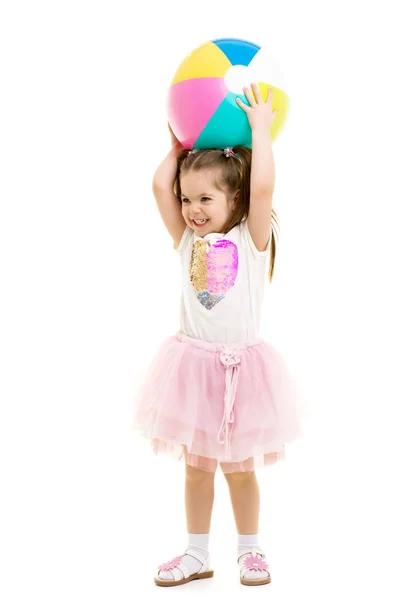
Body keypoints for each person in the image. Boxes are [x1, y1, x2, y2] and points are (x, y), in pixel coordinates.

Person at [132, 83, 303, 587]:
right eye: (189, 199)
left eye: (205, 198)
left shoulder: (249, 242)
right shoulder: (186, 241)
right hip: (192, 371)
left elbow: (265, 187)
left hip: (241, 374)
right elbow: (160, 188)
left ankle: (250, 551)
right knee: (197, 468)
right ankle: (196, 553)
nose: (192, 209)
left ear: (236, 200)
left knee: (241, 470)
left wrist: (260, 132)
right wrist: (177, 149)